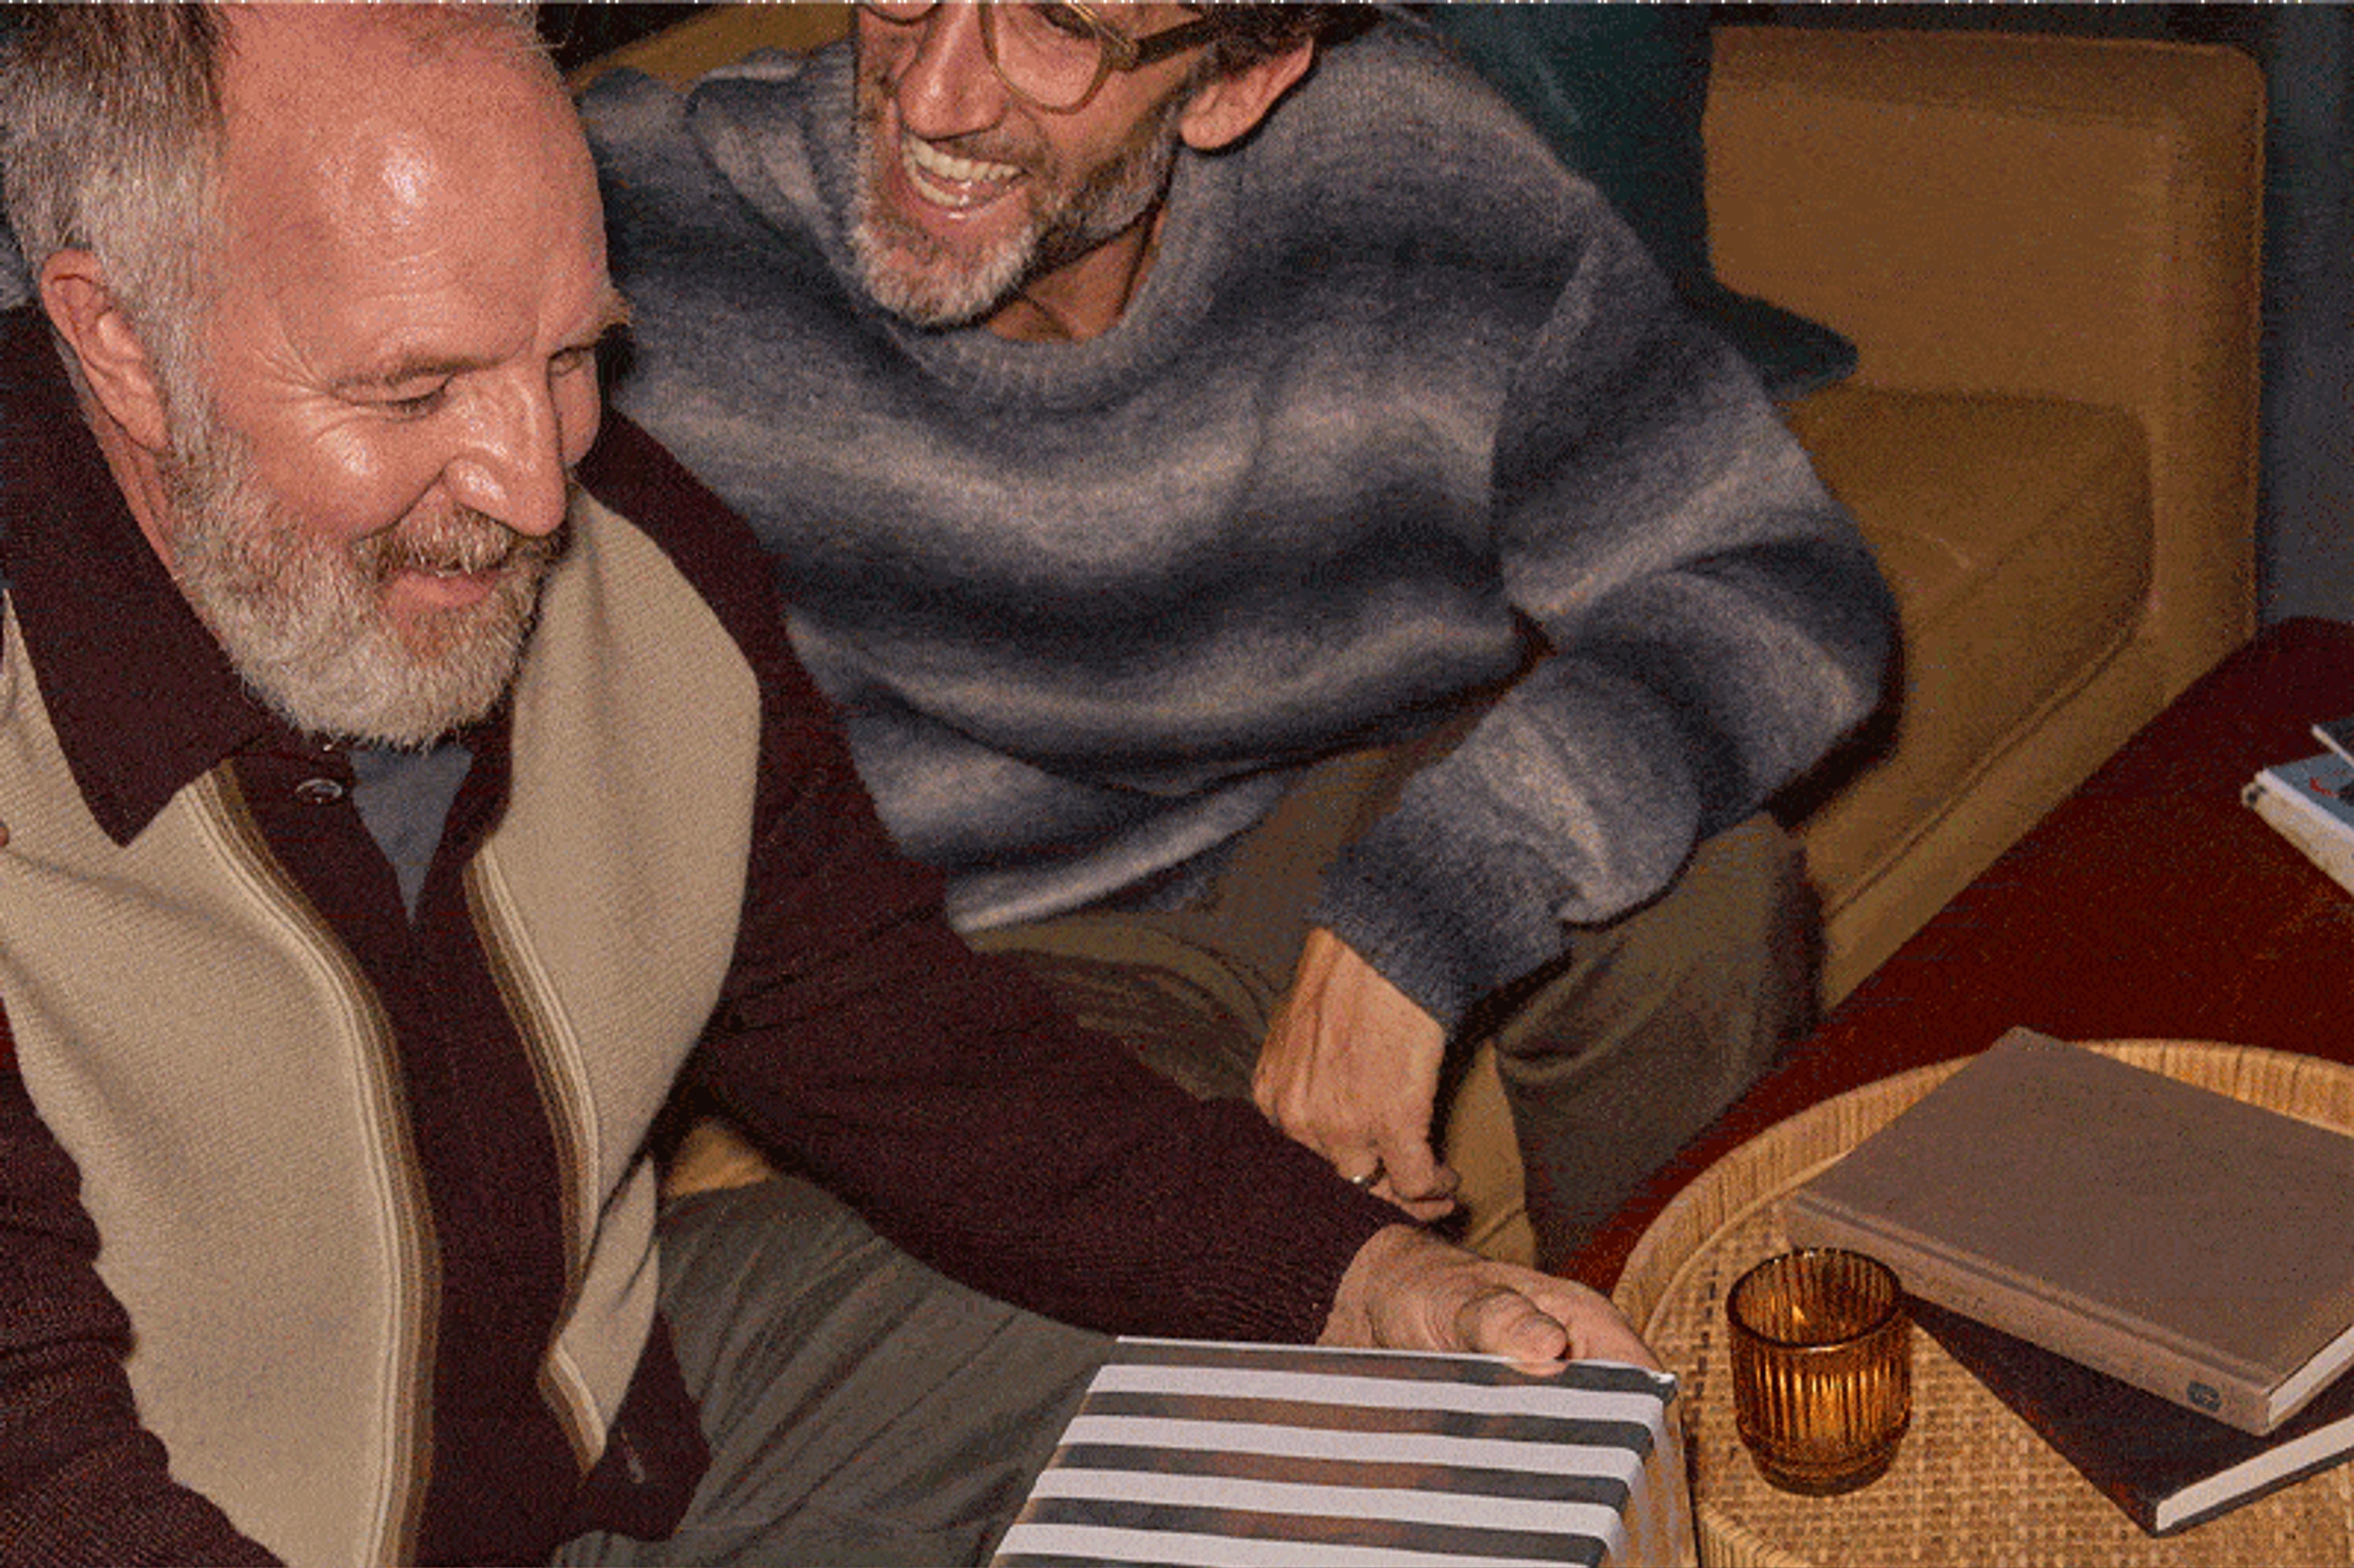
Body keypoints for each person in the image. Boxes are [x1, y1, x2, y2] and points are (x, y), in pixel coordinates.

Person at [0, 6, 1654, 1564]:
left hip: (591, 1424)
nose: (534, 486)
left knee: (1312, 1388)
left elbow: (909, 1052)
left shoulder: (647, 564)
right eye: (414, 389)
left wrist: (1359, 1277)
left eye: (575, 353)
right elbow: (39, 1473)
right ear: (118, 340)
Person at [582, 1, 1897, 1266]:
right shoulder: (661, 228)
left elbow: (1773, 573)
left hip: (1346, 805)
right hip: (1007, 946)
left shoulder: (1400, 165)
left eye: (1060, 28)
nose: (932, 94)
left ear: (1235, 81)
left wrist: (1441, 889)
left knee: (1706, 897)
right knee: (1172, 1232)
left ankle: (1649, 1403)